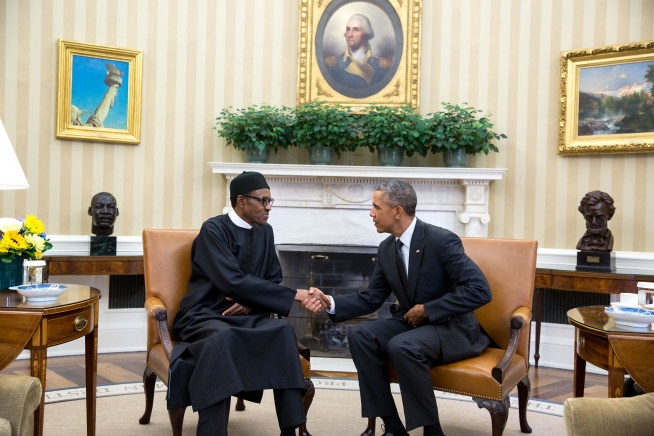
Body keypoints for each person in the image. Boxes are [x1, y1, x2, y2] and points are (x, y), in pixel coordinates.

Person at [304, 180, 492, 436]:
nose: (371, 213)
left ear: (398, 211)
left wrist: (428, 308)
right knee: (360, 335)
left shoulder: (441, 240)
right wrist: (331, 301)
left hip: (453, 327)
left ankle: (432, 431)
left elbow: (480, 290)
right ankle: (393, 427)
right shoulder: (386, 248)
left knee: (402, 345)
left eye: (376, 207)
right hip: (415, 325)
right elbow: (372, 297)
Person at [167, 171, 325, 436]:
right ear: (241, 200)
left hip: (248, 313)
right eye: (262, 200)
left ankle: (291, 429)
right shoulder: (213, 230)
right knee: (222, 338)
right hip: (206, 314)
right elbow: (230, 281)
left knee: (283, 332)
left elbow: (273, 276)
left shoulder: (266, 231)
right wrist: (294, 294)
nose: (268, 207)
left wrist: (252, 304)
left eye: (270, 201)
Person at [324, 14, 392, 89]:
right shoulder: (333, 64)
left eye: (356, 30)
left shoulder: (382, 65)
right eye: (348, 29)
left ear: (366, 34)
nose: (349, 35)